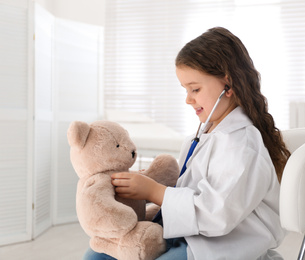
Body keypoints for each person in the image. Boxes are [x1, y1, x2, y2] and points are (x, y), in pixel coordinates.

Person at [84, 26, 291, 260]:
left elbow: (216, 214)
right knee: (98, 254)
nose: (188, 99)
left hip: (224, 247)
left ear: (228, 85)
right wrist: (148, 182)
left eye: (195, 89)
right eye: (185, 89)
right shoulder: (207, 134)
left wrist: (153, 191)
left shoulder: (241, 144)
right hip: (192, 235)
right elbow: (191, 189)